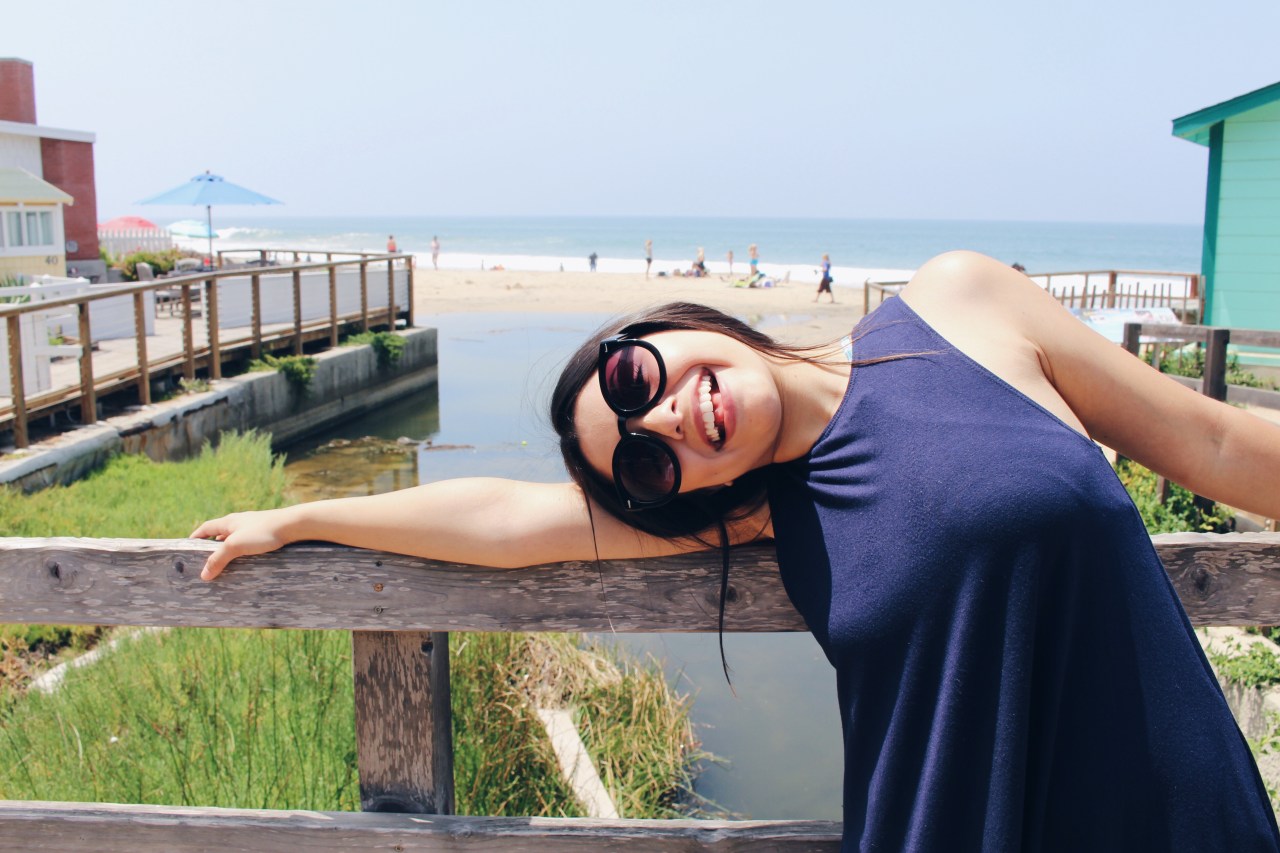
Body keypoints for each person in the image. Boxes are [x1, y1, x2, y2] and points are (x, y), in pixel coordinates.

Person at [193, 250, 1280, 852]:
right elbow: (509, 524)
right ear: (690, 497)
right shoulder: (769, 511)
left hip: (1178, 817)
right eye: (643, 466)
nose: (660, 421)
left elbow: (1218, 440)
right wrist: (300, 520)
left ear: (664, 326)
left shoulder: (963, 301)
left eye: (631, 382)